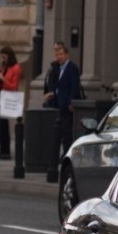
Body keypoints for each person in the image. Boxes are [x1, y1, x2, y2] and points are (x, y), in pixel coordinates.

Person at [43, 41, 83, 182]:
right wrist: (53, 94)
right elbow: (56, 86)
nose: (58, 57)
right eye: (57, 54)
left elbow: (74, 86)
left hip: (67, 107)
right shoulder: (58, 69)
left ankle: (68, 166)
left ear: (67, 55)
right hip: (59, 106)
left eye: (61, 54)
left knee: (67, 137)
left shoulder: (71, 68)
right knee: (59, 136)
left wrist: (71, 102)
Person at [0, 46, 22, 160]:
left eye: (4, 57)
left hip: (8, 96)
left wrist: (3, 79)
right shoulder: (5, 67)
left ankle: (6, 150)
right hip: (1, 94)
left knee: (4, 125)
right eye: (2, 57)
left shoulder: (15, 68)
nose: (3, 59)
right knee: (0, 124)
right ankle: (2, 148)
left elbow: (13, 86)